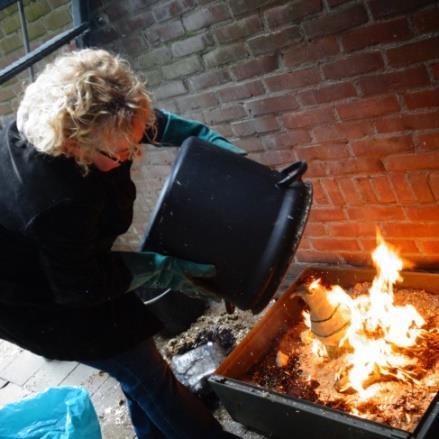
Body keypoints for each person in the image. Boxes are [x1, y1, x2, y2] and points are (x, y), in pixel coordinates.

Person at [0, 48, 244, 438]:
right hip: (38, 299)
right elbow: (83, 285)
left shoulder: (98, 129)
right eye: (122, 152)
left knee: (139, 362)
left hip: (70, 258)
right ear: (72, 144)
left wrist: (201, 137)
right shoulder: (54, 199)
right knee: (145, 371)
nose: (134, 154)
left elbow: (131, 122)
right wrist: (161, 268)